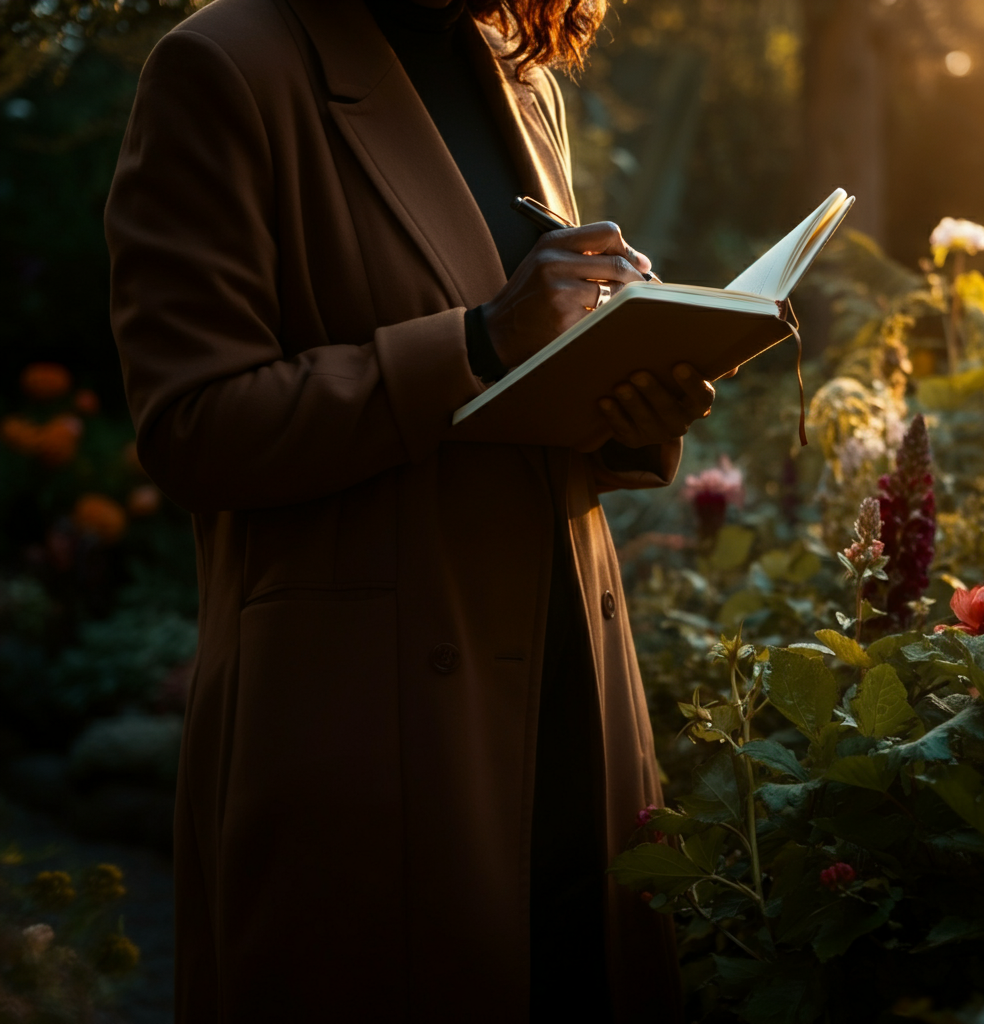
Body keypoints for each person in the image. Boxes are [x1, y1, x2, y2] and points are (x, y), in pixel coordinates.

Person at [105, 0, 721, 1018]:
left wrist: (625, 387)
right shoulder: (225, 66)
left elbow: (518, 384)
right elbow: (193, 426)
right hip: (379, 724)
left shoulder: (519, 77)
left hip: (573, 691)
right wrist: (477, 343)